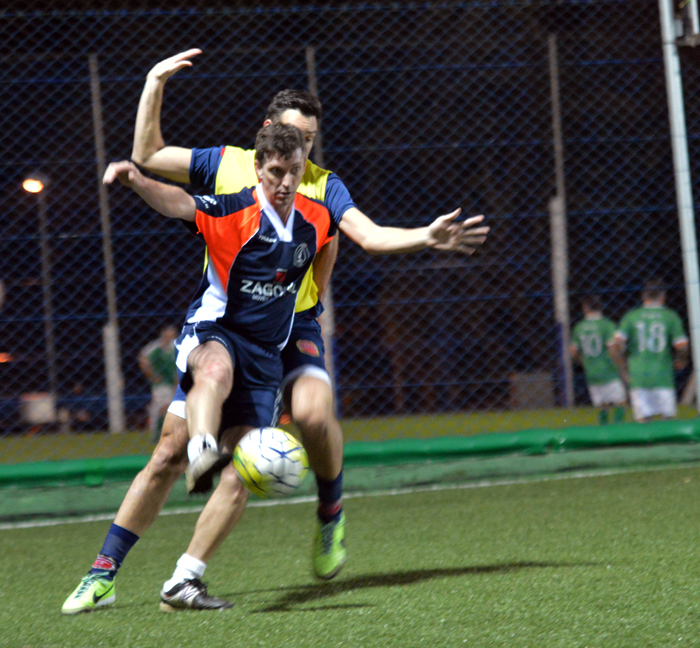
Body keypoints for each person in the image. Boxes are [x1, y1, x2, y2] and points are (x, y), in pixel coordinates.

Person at [61, 50, 489, 615]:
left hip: (287, 325)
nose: (298, 157)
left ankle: (291, 526)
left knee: (288, 435)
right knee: (171, 446)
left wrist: (423, 237)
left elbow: (364, 237)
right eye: (291, 141)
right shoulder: (229, 169)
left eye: (309, 142)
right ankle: (109, 566)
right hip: (226, 326)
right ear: (267, 139)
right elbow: (156, 169)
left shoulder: (323, 192)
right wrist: (152, 85)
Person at [610, 280, 689, 422]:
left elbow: (615, 345)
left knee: (644, 425)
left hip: (638, 375)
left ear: (643, 296)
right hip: (662, 375)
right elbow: (682, 346)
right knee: (668, 422)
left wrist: (623, 367)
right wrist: (680, 361)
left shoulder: (632, 316)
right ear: (663, 295)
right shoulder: (670, 316)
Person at [569, 295, 626, 424]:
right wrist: (622, 366)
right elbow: (613, 349)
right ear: (600, 307)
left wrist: (583, 360)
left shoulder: (579, 327)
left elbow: (573, 351)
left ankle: (603, 431)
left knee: (602, 405)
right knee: (621, 402)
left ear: (585, 308)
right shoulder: (606, 325)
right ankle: (617, 429)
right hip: (608, 369)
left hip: (591, 370)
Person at [139, 324, 178, 442]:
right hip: (161, 384)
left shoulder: (174, 346)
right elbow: (142, 358)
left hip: (173, 383)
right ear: (163, 333)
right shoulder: (155, 347)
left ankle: (160, 432)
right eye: (170, 332)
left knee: (165, 407)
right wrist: (152, 375)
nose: (172, 334)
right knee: (164, 406)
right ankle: (158, 434)